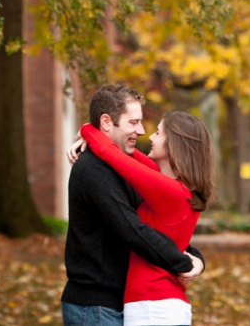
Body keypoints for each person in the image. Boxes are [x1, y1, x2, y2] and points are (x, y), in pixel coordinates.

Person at [61, 84, 205, 326]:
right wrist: (182, 263)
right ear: (106, 122)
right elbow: (132, 230)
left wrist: (197, 260)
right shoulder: (93, 168)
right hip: (96, 305)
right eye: (133, 122)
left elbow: (162, 232)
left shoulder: (128, 169)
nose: (142, 131)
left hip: (119, 303)